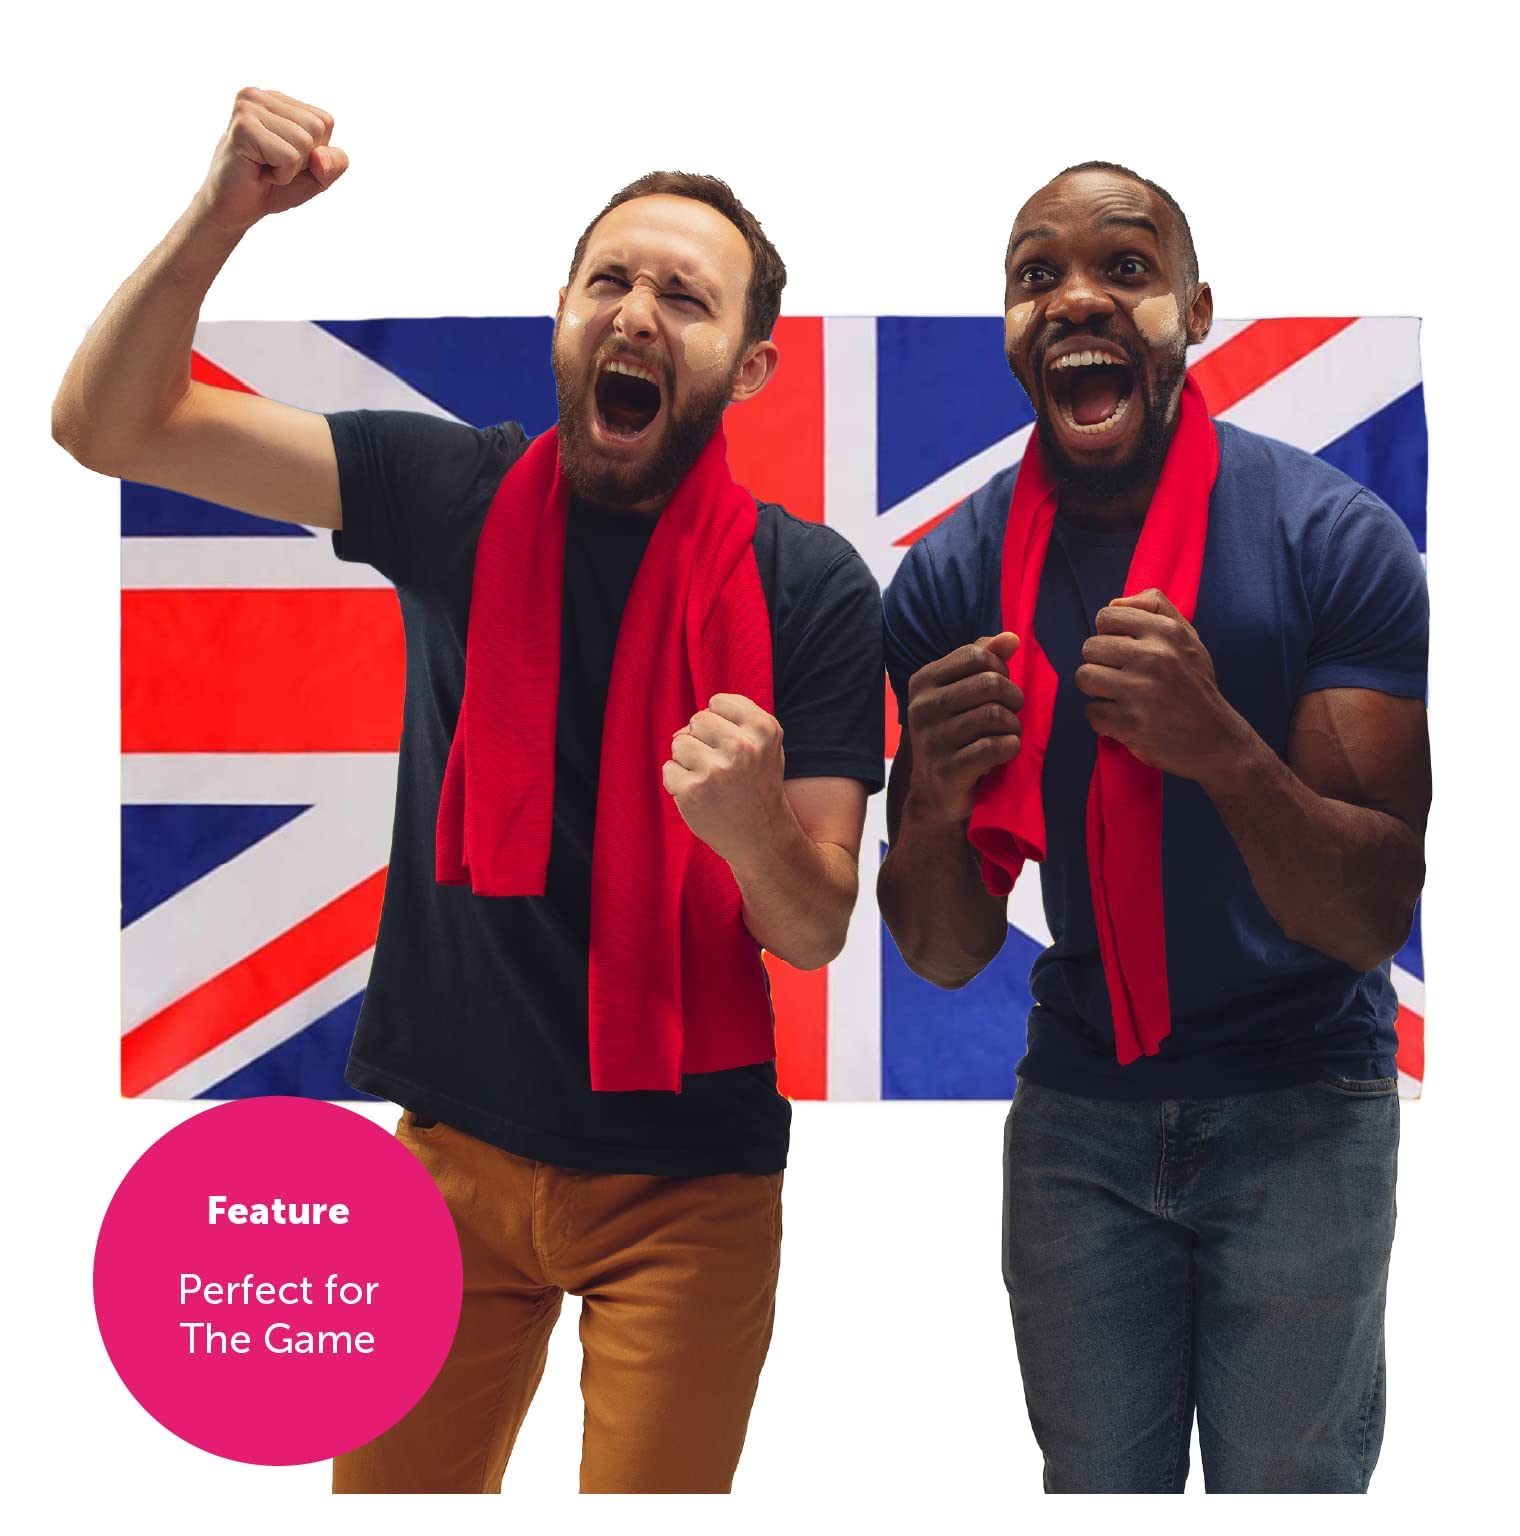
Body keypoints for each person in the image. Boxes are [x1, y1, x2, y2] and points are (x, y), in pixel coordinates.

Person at [54, 87, 885, 1494]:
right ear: (560, 313)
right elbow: (110, 425)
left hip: (691, 1183)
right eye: (607, 279)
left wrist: (747, 829)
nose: (635, 311)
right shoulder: (452, 491)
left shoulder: (811, 589)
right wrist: (220, 217)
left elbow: (810, 928)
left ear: (748, 368)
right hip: (446, 1161)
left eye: (685, 298)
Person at [878, 161, 1429, 1494]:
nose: (1076, 295)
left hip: (1303, 1098)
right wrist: (936, 803)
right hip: (1081, 1115)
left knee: (1289, 1502)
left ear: (1193, 308)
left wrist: (1220, 749)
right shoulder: (952, 578)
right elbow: (943, 951)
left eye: (1123, 268)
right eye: (1034, 275)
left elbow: (1365, 917)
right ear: (1009, 329)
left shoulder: (1329, 539)